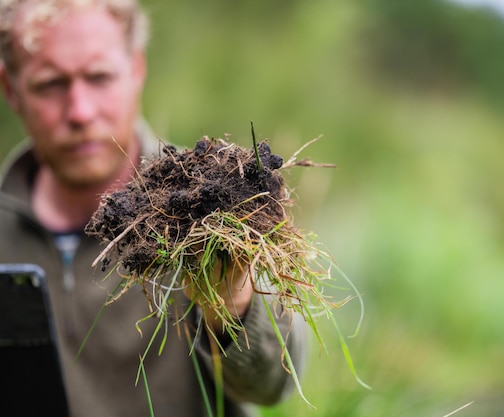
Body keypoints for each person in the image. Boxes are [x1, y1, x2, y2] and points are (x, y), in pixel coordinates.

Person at [0, 1, 307, 416]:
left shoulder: (213, 207)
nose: (80, 111)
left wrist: (232, 303)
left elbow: (275, 385)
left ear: (137, 70)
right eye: (50, 84)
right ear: (11, 90)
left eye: (99, 77)